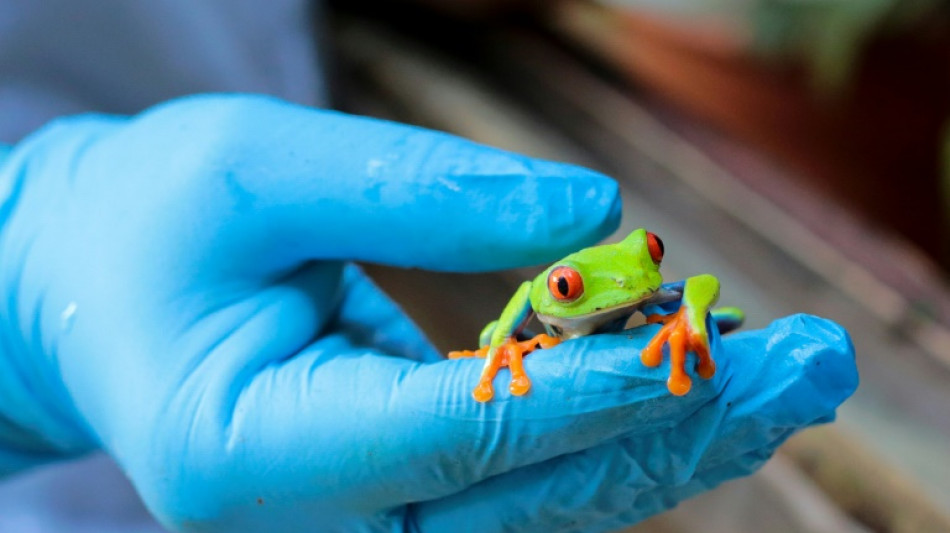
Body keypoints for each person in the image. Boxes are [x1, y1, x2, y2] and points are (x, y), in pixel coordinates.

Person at [0, 1, 858, 531]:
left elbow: (685, 288)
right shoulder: (542, 303)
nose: (638, 267)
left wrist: (685, 318)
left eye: (651, 253)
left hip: (268, 167)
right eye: (567, 282)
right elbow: (514, 318)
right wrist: (19, 312)